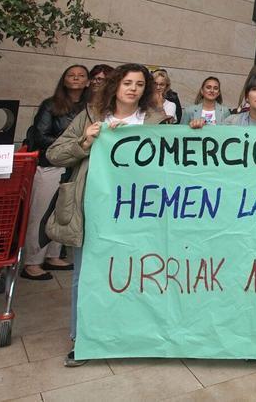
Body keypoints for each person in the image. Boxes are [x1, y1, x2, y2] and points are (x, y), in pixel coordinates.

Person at [46, 63, 169, 367]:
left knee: (135, 273)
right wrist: (85, 142)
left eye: (140, 84)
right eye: (128, 82)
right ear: (115, 85)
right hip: (92, 212)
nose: (133, 89)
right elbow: (54, 154)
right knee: (85, 275)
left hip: (139, 214)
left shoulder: (157, 121)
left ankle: (132, 334)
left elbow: (174, 161)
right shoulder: (90, 117)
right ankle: (83, 339)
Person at [21, 64, 90, 281]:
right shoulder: (50, 105)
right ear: (64, 79)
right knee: (41, 214)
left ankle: (53, 256)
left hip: (76, 166)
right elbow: (40, 136)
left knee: (64, 211)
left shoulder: (90, 108)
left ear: (87, 81)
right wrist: (73, 144)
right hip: (51, 164)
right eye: (71, 75)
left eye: (81, 76)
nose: (76, 79)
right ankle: (32, 262)